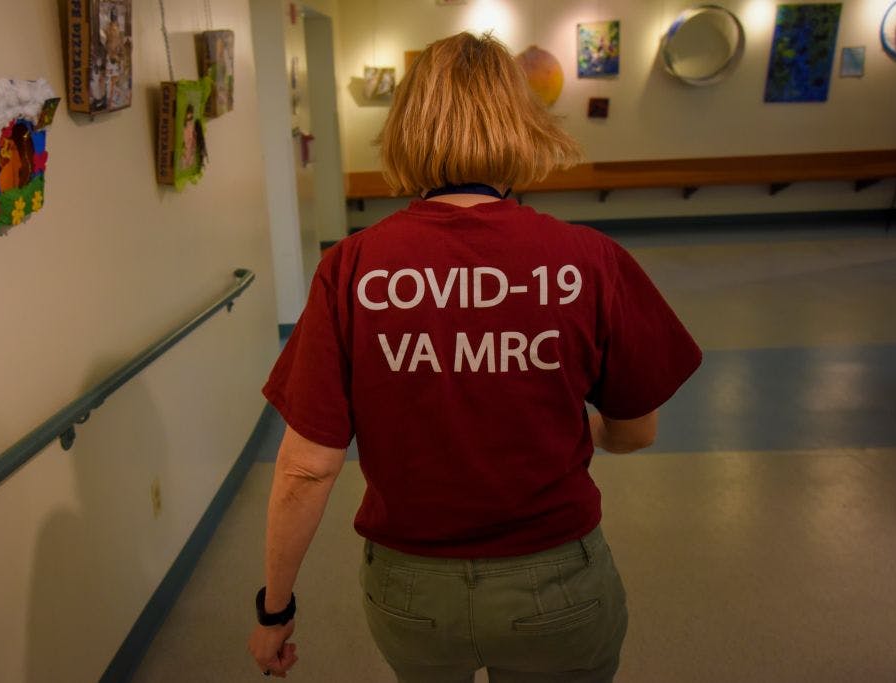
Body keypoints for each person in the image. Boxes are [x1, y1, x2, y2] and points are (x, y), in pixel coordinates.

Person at [249, 32, 702, 682]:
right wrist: (592, 430)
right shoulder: (589, 260)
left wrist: (275, 609)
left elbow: (306, 469)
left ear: (408, 127)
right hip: (557, 582)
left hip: (411, 589)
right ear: (521, 122)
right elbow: (638, 430)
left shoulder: (351, 268)